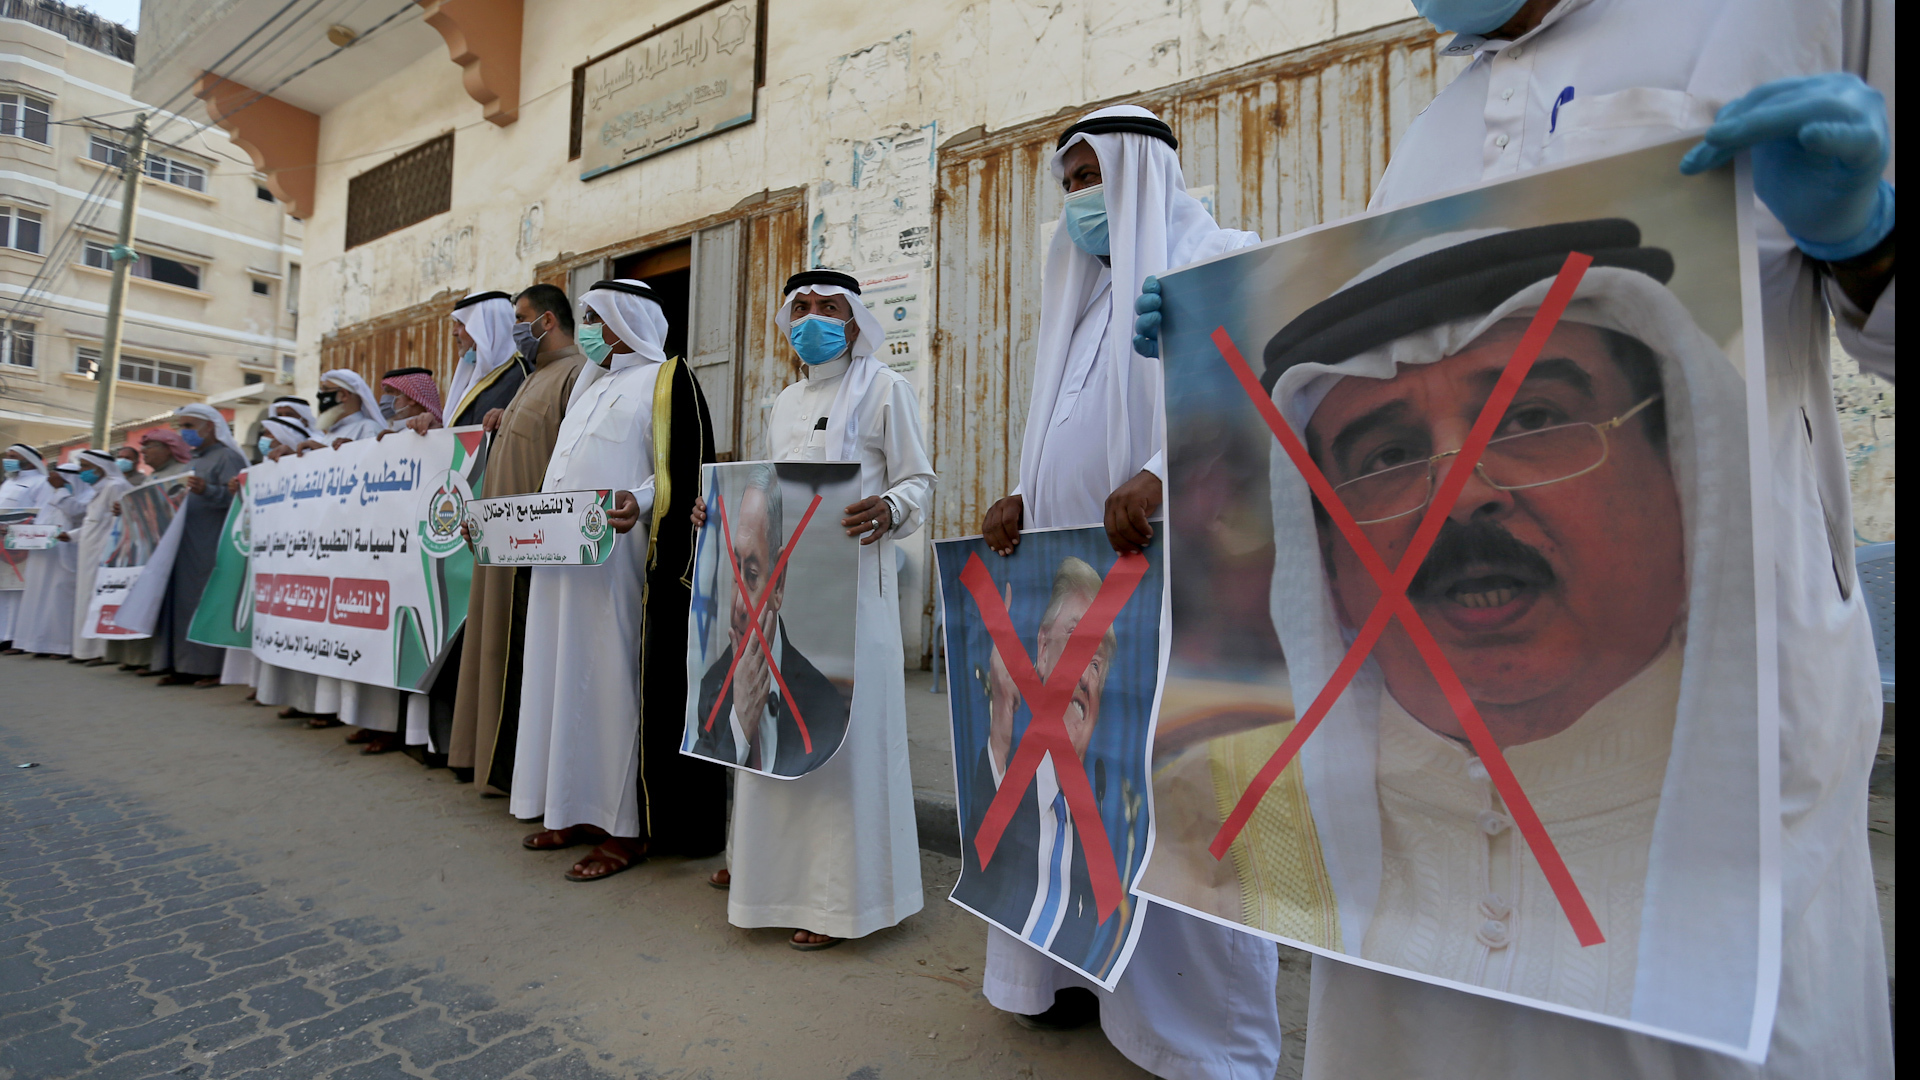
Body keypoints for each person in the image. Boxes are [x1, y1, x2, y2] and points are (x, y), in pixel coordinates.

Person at [1135, 2, 1895, 1076]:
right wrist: (1201, 342)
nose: (1460, 501)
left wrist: (1870, 246)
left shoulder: (1770, 15)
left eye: (1533, 418)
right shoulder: (1431, 136)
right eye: (1389, 454)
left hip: (1750, 800)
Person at [974, 105, 1284, 1079]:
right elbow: (1064, 426)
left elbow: (1260, 396)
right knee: (1068, 789)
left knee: (1177, 802)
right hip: (1069, 593)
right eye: (1068, 183)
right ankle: (1068, 970)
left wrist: (1161, 472)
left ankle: (1196, 1034)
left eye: (1091, 176)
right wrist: (1024, 496)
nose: (1079, 198)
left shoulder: (1217, 256)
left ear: (1141, 172)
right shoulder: (1085, 295)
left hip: (1182, 592)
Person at [691, 267, 934, 949]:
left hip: (857, 599)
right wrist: (716, 515)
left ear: (854, 321)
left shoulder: (885, 389)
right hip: (790, 599)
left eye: (828, 307)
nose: (812, 319)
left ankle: (839, 904)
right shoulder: (785, 402)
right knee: (776, 741)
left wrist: (890, 507)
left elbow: (919, 481)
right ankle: (765, 878)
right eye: (800, 308)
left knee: (844, 746)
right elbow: (770, 493)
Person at [509, 278, 719, 881]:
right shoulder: (588, 385)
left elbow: (685, 469)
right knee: (560, 678)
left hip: (621, 564)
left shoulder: (668, 380)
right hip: (562, 562)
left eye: (598, 318)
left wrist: (642, 500)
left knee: (609, 686)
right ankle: (571, 808)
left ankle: (625, 827)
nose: (590, 331)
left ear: (629, 321)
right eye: (587, 318)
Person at [447, 283, 587, 789]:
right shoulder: (533, 377)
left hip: (535, 549)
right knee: (491, 650)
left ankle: (521, 776)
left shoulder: (576, 375)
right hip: (502, 544)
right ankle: (486, 761)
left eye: (521, 319)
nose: (515, 331)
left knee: (520, 657)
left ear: (547, 321)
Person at [956, 556, 1125, 973]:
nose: (1084, 676)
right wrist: (1000, 731)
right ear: (1043, 651)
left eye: (1096, 662)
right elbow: (980, 870)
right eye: (1076, 641)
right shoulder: (1005, 781)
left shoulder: (1109, 823)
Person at [688, 464, 852, 777]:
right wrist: (740, 723)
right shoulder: (713, 686)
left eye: (751, 575)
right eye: (735, 571)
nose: (738, 606)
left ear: (778, 584)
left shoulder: (823, 701)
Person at [149, 405, 248, 686]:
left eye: (189, 426)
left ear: (210, 427)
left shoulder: (228, 457)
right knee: (180, 604)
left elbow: (240, 498)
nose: (184, 432)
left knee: (204, 602)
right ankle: (182, 665)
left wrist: (208, 490)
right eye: (182, 426)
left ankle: (209, 668)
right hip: (184, 542)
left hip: (211, 543)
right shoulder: (192, 460)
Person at [103, 430, 194, 674]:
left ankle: (156, 660)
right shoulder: (152, 477)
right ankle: (136, 658)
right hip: (147, 550)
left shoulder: (184, 473)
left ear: (169, 449)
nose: (144, 453)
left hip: (174, 551)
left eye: (150, 447)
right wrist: (125, 508)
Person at [4, 447, 83, 658]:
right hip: (38, 554)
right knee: (37, 600)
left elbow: (76, 514)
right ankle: (36, 643)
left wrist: (61, 490)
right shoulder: (48, 495)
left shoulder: (74, 495)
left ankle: (59, 646)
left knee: (58, 600)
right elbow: (37, 519)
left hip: (64, 556)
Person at [69, 448, 134, 664]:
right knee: (86, 600)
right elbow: (92, 523)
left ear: (101, 467)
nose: (82, 471)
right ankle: (85, 650)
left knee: (102, 601)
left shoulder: (116, 486)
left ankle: (103, 652)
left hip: (105, 554)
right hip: (89, 554)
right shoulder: (99, 490)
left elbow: (125, 519)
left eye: (86, 466)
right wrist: (70, 536)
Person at [445, 290, 530, 427]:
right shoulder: (470, 376)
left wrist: (507, 417)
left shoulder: (523, 374)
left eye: (461, 323)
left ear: (487, 326)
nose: (454, 332)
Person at [316, 369, 390, 446]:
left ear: (344, 395)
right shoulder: (329, 436)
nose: (320, 395)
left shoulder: (368, 428)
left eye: (326, 389)